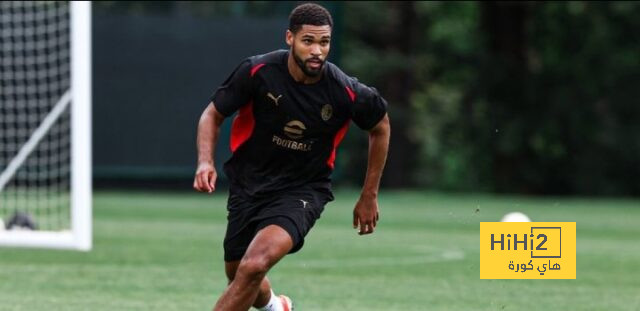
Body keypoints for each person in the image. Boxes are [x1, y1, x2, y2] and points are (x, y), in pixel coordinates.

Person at [193, 3, 390, 311]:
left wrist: (369, 195)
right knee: (238, 272)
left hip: (302, 190)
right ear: (290, 38)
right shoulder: (258, 71)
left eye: (324, 42)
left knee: (254, 265)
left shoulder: (343, 90)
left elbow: (380, 126)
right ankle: (276, 307)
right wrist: (205, 160)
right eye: (308, 41)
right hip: (249, 185)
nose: (317, 51)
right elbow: (212, 114)